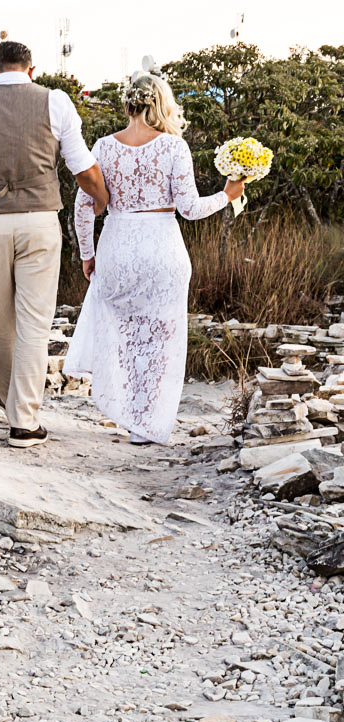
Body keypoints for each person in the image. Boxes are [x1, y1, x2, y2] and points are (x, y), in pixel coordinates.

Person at [0, 40, 109, 448]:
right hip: (39, 222)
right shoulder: (56, 102)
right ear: (31, 71)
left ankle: (5, 396)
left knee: (0, 317)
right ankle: (24, 421)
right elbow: (82, 169)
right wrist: (102, 201)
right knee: (34, 322)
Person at [63, 72, 244, 445]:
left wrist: (87, 254)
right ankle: (146, 424)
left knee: (122, 334)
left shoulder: (102, 147)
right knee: (161, 338)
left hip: (117, 245)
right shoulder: (174, 147)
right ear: (161, 103)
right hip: (162, 247)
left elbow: (84, 207)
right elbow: (190, 209)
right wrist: (228, 194)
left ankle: (127, 413)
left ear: (129, 103)